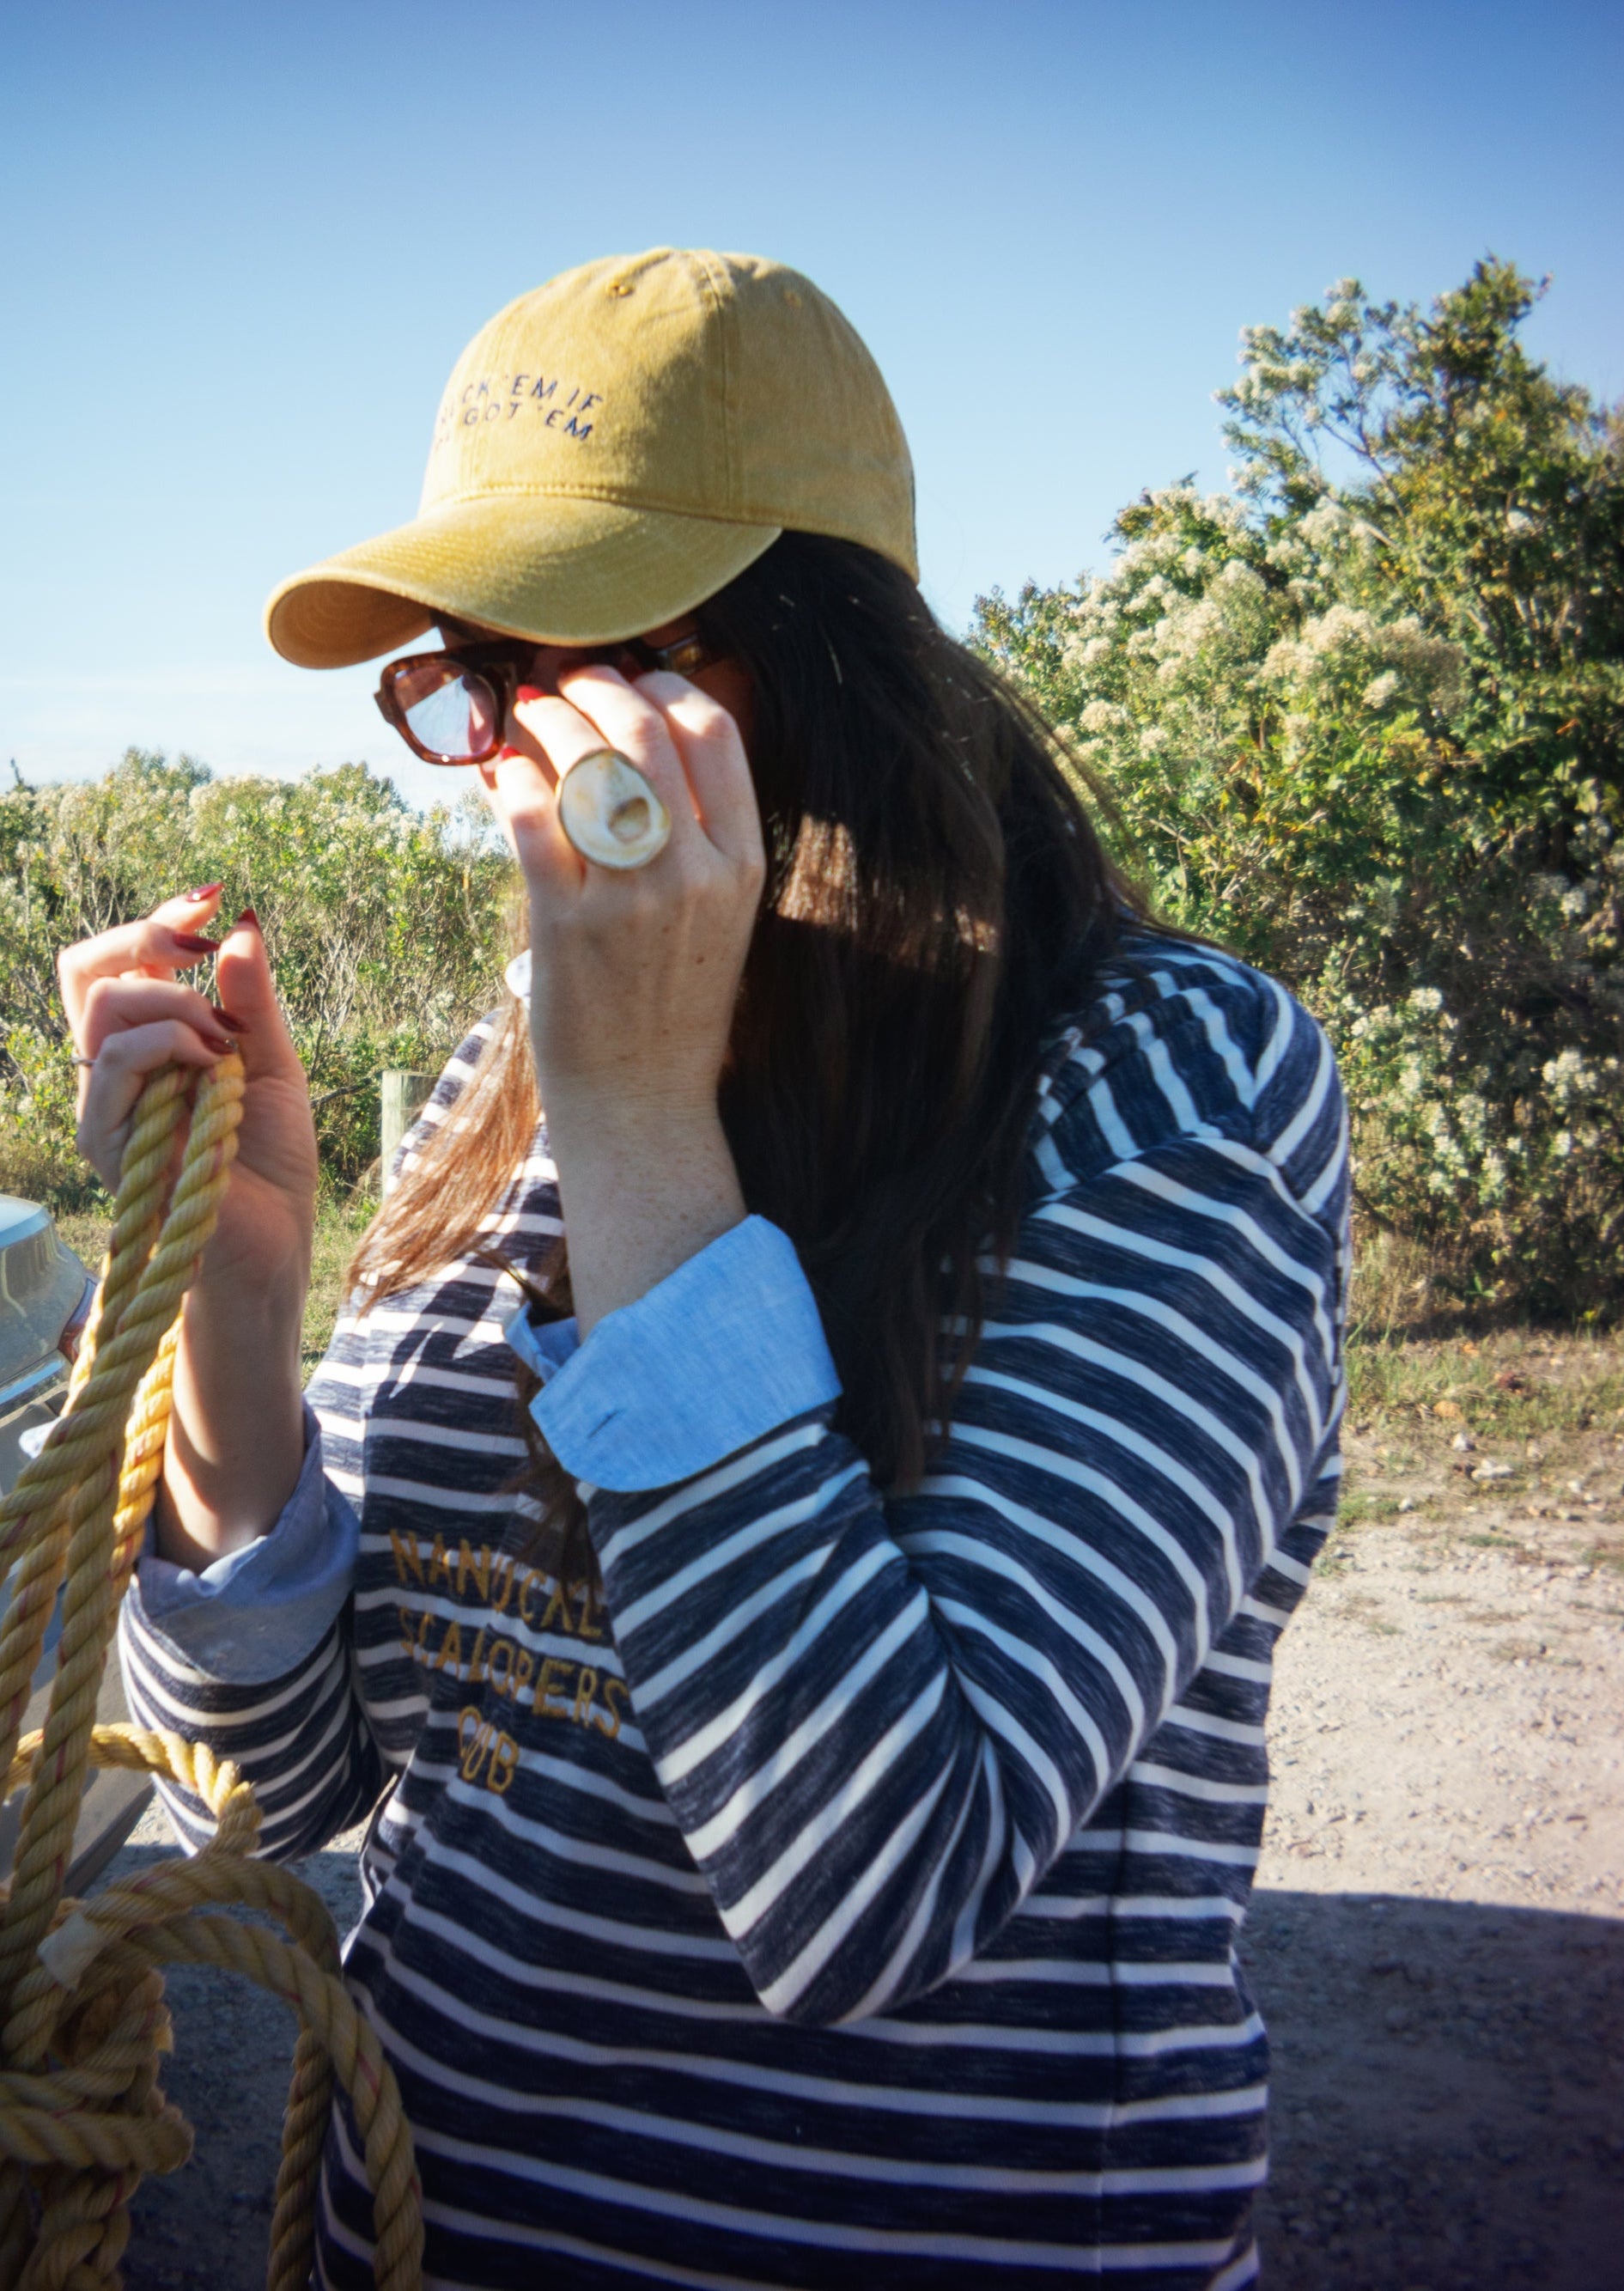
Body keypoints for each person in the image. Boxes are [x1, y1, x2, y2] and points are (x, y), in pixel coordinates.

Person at [60, 249, 1347, 2289]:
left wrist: (649, 1127)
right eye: (467, 687)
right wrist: (239, 1292)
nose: (509, 764)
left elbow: (873, 1885)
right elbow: (277, 1778)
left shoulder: (1167, 1083)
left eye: (576, 677)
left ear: (821, 663)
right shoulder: (514, 1061)